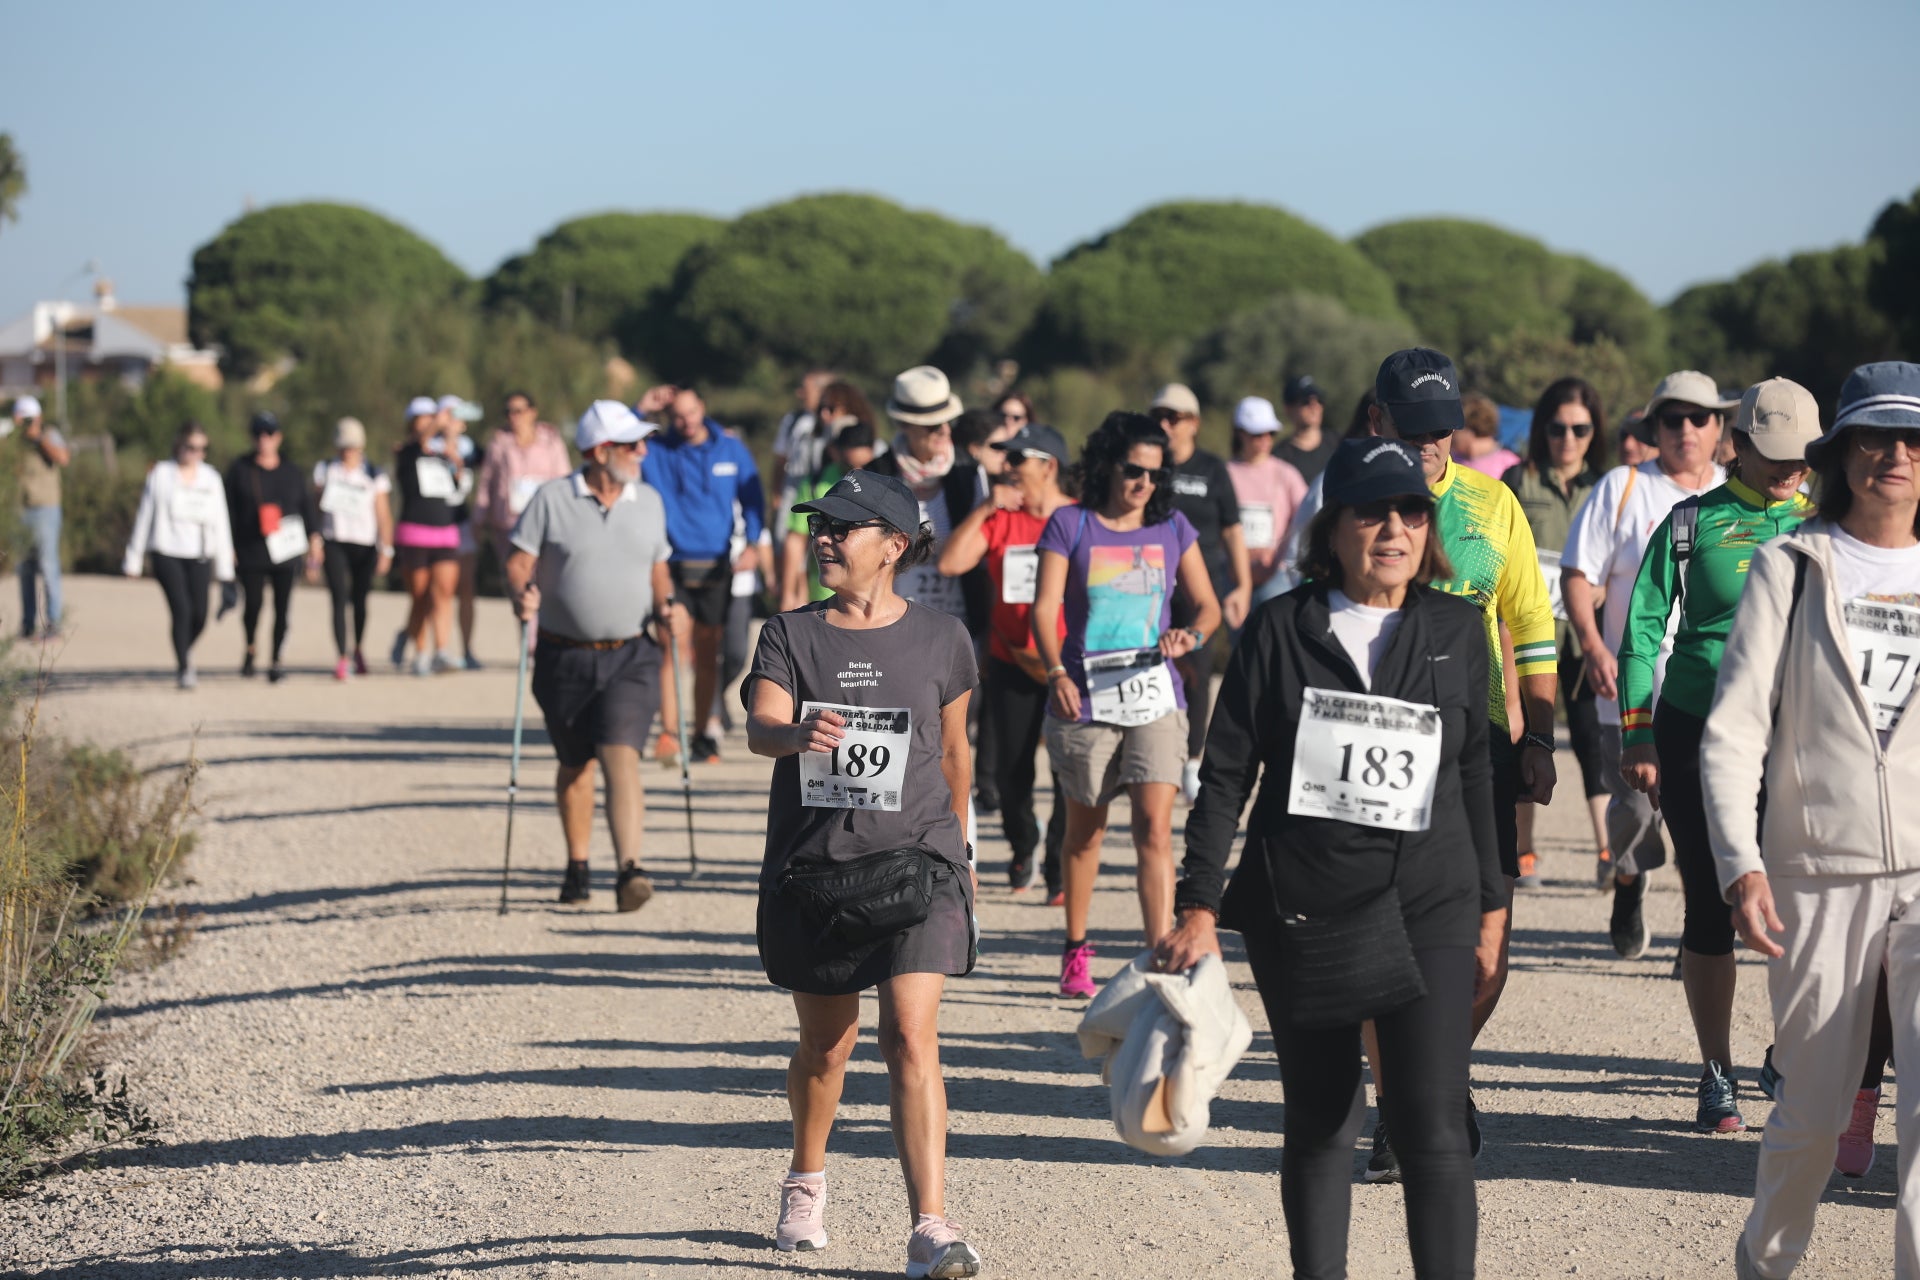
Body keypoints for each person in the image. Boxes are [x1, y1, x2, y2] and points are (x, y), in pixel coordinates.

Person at [1160, 436, 1503, 1280]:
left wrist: (1494, 906)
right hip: (1304, 906)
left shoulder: (1457, 629)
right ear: (1333, 527)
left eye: (1411, 512)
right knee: (1322, 1119)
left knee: (1430, 1123)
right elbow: (1226, 775)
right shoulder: (1280, 629)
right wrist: (1197, 906)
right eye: (1372, 512)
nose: (1395, 529)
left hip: (1431, 902)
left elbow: (1474, 771)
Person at [1701, 361, 1920, 1280]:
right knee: (1812, 1118)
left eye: (1913, 439)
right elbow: (1733, 729)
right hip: (1817, 875)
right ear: (1839, 453)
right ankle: (1767, 1261)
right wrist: (1740, 863)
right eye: (1874, 437)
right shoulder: (1790, 566)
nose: (1895, 455)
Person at [745, 469, 983, 1279]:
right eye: (819, 525)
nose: (823, 538)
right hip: (818, 871)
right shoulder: (790, 633)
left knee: (911, 1036)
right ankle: (805, 1180)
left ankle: (931, 1227)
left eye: (842, 527)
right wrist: (794, 734)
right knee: (826, 1046)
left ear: (893, 545)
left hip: (920, 861)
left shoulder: (944, 639)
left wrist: (962, 852)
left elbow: (954, 752)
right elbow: (762, 725)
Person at [1364, 347, 1558, 1179]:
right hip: (1378, 744)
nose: (1429, 443)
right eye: (1413, 428)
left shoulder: (1493, 501)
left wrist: (1540, 736)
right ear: (1378, 419)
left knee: (1484, 954)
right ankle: (1400, 1106)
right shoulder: (1349, 501)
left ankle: (1436, 1074)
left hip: (1478, 746)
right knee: (1386, 943)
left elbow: (1533, 623)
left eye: (1441, 428)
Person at [1614, 377, 1820, 1135]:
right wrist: (1637, 732)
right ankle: (1717, 1071)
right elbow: (1641, 631)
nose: (1790, 469)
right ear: (1739, 445)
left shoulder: (1828, 523)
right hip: (1696, 730)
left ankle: (1788, 1053)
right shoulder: (1690, 523)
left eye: (1802, 456)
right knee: (1711, 901)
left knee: (1803, 907)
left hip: (1800, 738)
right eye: (1776, 455)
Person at [1031, 412, 1220, 998]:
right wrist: (1056, 672)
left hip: (1155, 697)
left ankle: (1160, 952)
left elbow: (1208, 607)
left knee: (1155, 828)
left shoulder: (1173, 527)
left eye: (1155, 475)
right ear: (1108, 465)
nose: (1144, 483)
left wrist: (1191, 636)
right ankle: (1076, 948)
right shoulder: (1072, 523)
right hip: (1085, 698)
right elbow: (1044, 608)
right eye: (1134, 470)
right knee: (1085, 833)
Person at [1563, 370, 1729, 959]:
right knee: (1635, 808)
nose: (1686, 429)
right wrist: (1593, 645)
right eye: (1672, 418)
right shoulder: (1625, 486)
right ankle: (1630, 881)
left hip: (1711, 693)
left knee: (1706, 818)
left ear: (1719, 427)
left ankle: (1700, 933)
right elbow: (1578, 573)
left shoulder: (1738, 496)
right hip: (1631, 688)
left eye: (1698, 417)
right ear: (1655, 427)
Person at [507, 401, 678, 910]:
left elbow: (658, 567)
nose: (643, 451)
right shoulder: (552, 499)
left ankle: (630, 869)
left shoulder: (649, 501)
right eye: (631, 444)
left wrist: (666, 606)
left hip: (631, 654)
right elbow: (518, 562)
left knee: (620, 754)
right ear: (601, 451)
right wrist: (521, 594)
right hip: (562, 657)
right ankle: (578, 863)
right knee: (575, 763)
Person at [939, 422, 1075, 899]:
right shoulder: (1003, 517)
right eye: (1005, 458)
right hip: (1012, 659)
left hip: (1069, 664)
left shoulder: (1078, 517)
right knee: (1010, 772)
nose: (1008, 467)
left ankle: (1059, 866)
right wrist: (984, 508)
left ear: (1049, 467)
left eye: (1019, 459)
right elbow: (950, 563)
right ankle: (1024, 842)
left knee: (1068, 771)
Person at [1502, 378, 1612, 889]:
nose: (1568, 438)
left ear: (1594, 433)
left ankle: (1608, 850)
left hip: (1585, 635)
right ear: (1542, 429)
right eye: (1558, 427)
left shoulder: (1607, 486)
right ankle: (1523, 850)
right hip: (1526, 634)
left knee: (1593, 740)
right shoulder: (1517, 481)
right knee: (1524, 736)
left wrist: (1603, 588)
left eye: (1580, 429)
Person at [639, 384, 767, 766]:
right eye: (677, 416)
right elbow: (614, 438)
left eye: (691, 413)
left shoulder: (730, 448)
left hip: (716, 565)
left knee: (709, 652)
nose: (686, 422)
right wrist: (641, 408)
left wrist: (753, 543)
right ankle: (668, 734)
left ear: (703, 408)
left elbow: (753, 499)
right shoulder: (656, 449)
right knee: (672, 648)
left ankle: (701, 736)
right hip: (670, 563)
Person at [1148, 383, 1250, 803]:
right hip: (1149, 587)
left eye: (1174, 417)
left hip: (1200, 589)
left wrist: (1242, 584)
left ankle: (1191, 760)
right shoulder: (1147, 466)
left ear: (1194, 423)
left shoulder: (1212, 469)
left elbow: (1232, 530)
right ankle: (1152, 758)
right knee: (1153, 668)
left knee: (1198, 673)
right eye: (1159, 416)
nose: (1165, 424)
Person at [122, 421, 236, 688]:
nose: (196, 454)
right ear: (179, 445)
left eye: (202, 449)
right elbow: (144, 517)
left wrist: (226, 570)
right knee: (182, 610)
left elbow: (221, 523)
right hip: (166, 552)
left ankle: (184, 648)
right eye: (191, 447)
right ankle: (184, 667)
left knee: (200, 615)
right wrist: (133, 559)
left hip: (200, 554)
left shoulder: (211, 478)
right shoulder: (161, 474)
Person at [865, 366, 975, 627]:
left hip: (962, 624)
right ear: (905, 426)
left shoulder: (969, 472)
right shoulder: (876, 476)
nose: (945, 431)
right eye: (934, 425)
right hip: (895, 624)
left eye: (949, 422)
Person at [224, 411, 322, 683]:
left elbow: (306, 508)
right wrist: (227, 546)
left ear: (278, 437)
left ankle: (277, 659)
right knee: (253, 604)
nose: (263, 439)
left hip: (286, 550)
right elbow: (228, 511)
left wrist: (315, 539)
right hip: (251, 549)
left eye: (269, 433)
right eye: (258, 434)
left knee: (282, 608)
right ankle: (250, 646)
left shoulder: (292, 471)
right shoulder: (240, 469)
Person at [314, 418, 395, 681]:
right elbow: (315, 508)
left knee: (360, 600)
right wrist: (314, 542)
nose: (347, 451)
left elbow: (383, 514)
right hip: (334, 540)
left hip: (365, 543)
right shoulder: (326, 469)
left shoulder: (374, 474)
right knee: (338, 598)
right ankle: (341, 656)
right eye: (343, 446)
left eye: (352, 446)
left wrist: (386, 549)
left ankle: (358, 647)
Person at [782, 421, 877, 611]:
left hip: (872, 597)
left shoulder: (883, 488)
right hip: (823, 596)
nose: (858, 473)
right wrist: (789, 593)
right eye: (850, 466)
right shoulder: (815, 485)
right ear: (835, 452)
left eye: (864, 465)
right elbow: (796, 541)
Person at [1227, 395, 1309, 610]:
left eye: (1270, 433)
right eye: (1257, 434)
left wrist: (1281, 556)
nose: (1265, 439)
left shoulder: (1286, 474)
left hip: (1277, 577)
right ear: (1240, 433)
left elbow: (1307, 517)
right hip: (1230, 576)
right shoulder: (1224, 474)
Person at [474, 390, 573, 568]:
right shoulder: (498, 443)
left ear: (532, 412)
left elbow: (563, 479)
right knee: (513, 572)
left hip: (544, 521)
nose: (513, 417)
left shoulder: (551, 441)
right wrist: (479, 519)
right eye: (508, 412)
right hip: (507, 523)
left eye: (518, 411)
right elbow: (487, 482)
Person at [11, 394, 69, 640]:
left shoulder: (49, 435)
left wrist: (38, 438)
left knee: (48, 566)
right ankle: (28, 624)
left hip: (45, 509)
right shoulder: (13, 442)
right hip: (20, 510)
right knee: (24, 568)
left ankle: (53, 623)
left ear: (39, 418)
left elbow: (63, 458)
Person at [437, 395, 486, 670]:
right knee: (440, 590)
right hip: (434, 524)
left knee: (466, 588)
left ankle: (467, 650)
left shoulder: (470, 449)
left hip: (461, 523)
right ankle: (436, 649)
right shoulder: (428, 446)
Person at [1276, 375, 1341, 483]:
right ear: (1288, 408)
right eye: (1305, 401)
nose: (1315, 406)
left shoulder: (1339, 443)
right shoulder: (1280, 457)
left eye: (1319, 400)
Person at [1453, 392, 1521, 478]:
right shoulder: (1448, 461)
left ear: (1469, 427)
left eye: (1454, 426)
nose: (1450, 432)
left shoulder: (1511, 465)